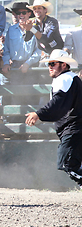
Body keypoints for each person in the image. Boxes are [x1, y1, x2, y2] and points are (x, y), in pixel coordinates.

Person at [25, 50, 82, 187]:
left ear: (64, 65)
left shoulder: (65, 79)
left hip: (74, 128)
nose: (50, 67)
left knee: (67, 163)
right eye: (49, 64)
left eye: (53, 64)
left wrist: (39, 114)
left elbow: (58, 103)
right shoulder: (70, 78)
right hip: (74, 127)